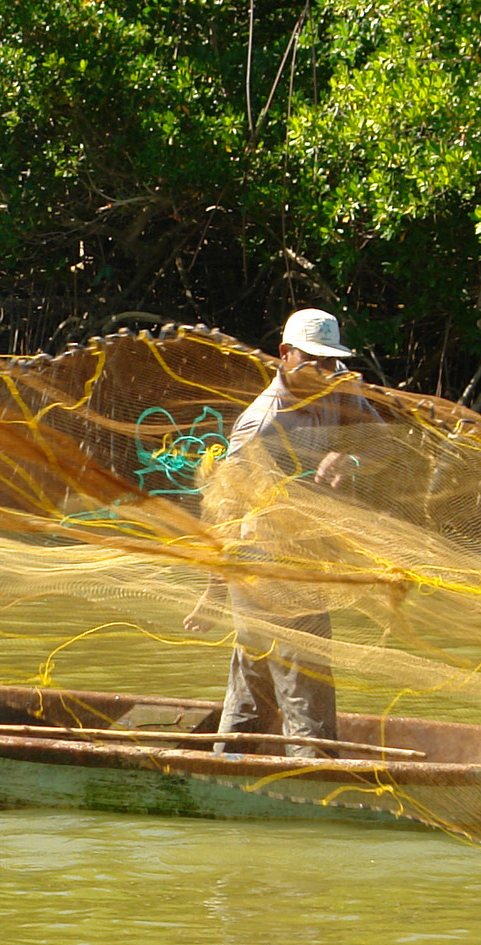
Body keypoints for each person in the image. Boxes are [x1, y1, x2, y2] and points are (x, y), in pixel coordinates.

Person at [184, 308, 379, 757]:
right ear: (285, 355)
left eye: (331, 361)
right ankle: (315, 777)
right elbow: (225, 513)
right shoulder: (261, 423)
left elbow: (383, 446)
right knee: (304, 680)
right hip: (263, 560)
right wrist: (214, 593)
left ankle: (229, 764)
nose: (324, 370)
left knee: (255, 678)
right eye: (313, 360)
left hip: (307, 556)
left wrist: (349, 460)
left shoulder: (339, 393)